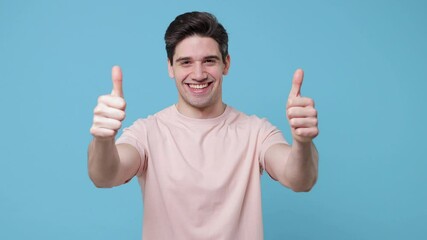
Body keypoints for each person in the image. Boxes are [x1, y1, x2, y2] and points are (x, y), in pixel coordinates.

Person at [88, 11, 319, 240]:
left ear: (225, 64)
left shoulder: (256, 131)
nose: (198, 74)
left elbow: (300, 180)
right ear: (170, 67)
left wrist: (302, 142)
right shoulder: (147, 132)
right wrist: (103, 140)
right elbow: (105, 176)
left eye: (209, 61)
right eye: (185, 62)